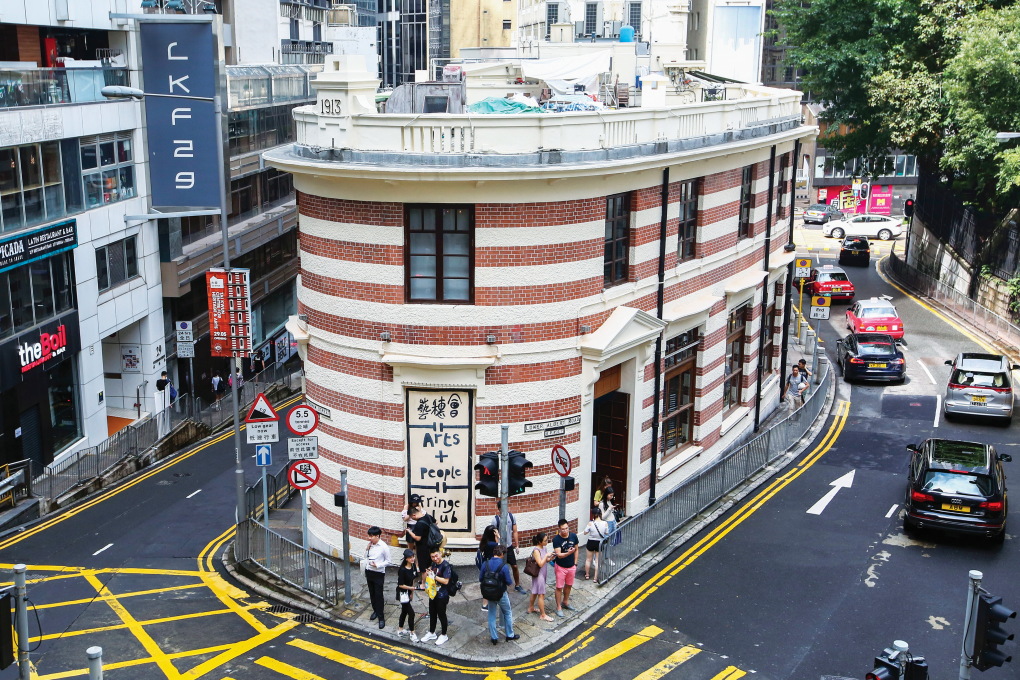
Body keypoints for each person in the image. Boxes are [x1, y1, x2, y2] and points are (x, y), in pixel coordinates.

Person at [479, 545, 520, 644]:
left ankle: (494, 638)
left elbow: (480, 579)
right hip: (501, 594)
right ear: (502, 554)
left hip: (489, 593)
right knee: (507, 612)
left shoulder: (485, 564)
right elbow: (509, 582)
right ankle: (509, 635)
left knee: (491, 614)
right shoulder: (504, 567)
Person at [491, 502, 527, 595]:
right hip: (500, 548)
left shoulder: (511, 517)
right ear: (498, 509)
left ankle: (517, 585)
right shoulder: (495, 520)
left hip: (509, 547)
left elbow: (515, 531)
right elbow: (494, 535)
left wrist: (517, 546)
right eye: (501, 508)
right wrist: (497, 546)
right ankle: (500, 586)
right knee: (499, 568)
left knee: (514, 566)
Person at [420, 550, 451, 645]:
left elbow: (446, 581)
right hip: (433, 594)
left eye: (436, 555)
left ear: (440, 554)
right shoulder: (434, 565)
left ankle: (444, 635)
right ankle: (432, 632)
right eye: (432, 557)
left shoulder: (446, 565)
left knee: (442, 615)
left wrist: (434, 577)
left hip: (442, 594)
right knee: (432, 613)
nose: (435, 558)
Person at [551, 519, 578, 618]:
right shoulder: (556, 540)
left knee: (569, 585)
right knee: (559, 587)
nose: (565, 531)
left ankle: (565, 602)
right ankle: (558, 607)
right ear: (559, 529)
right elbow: (559, 555)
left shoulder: (573, 536)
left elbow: (577, 549)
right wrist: (568, 553)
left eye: (567, 528)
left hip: (571, 566)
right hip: (561, 567)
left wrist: (575, 563)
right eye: (563, 529)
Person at [364, 526, 389, 629]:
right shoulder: (370, 545)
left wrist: (377, 565)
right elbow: (365, 556)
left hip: (378, 573)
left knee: (379, 595)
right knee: (372, 593)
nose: (369, 538)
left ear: (377, 536)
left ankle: (381, 617)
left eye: (371, 536)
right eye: (369, 536)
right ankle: (375, 611)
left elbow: (388, 561)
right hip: (369, 572)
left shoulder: (383, 546)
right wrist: (367, 549)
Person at [405, 506, 436, 585]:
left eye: (412, 517)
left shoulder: (419, 524)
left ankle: (423, 584)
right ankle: (428, 581)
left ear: (414, 515)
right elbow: (436, 522)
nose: (412, 519)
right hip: (431, 544)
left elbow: (417, 538)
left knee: (423, 567)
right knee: (429, 565)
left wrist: (410, 532)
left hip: (423, 547)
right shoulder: (427, 516)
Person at [526, 533, 554, 622]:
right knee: (541, 594)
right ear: (539, 541)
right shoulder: (536, 550)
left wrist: (552, 556)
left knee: (534, 591)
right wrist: (546, 556)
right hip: (539, 575)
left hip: (543, 573)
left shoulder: (544, 548)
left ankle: (530, 608)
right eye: (545, 540)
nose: (547, 541)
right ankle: (543, 615)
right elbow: (540, 563)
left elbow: (547, 560)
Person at [395, 549, 419, 641]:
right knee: (411, 614)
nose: (413, 559)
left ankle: (400, 630)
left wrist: (412, 593)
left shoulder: (413, 567)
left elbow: (413, 579)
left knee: (404, 612)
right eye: (410, 558)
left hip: (408, 592)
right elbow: (400, 585)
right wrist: (411, 589)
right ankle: (412, 633)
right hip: (402, 593)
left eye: (413, 557)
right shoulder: (402, 570)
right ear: (406, 559)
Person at [475, 526, 498, 612]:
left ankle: (485, 604)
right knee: (489, 583)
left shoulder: (484, 542)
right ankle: (485, 604)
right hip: (489, 566)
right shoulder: (490, 544)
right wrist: (498, 536)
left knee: (486, 582)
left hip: (485, 564)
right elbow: (500, 547)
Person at [583, 508, 609, 580]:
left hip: (591, 542)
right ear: (600, 514)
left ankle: (587, 575)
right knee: (597, 561)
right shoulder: (605, 523)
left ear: (593, 515)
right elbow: (606, 533)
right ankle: (595, 578)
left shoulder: (590, 523)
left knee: (588, 559)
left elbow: (585, 532)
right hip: (599, 543)